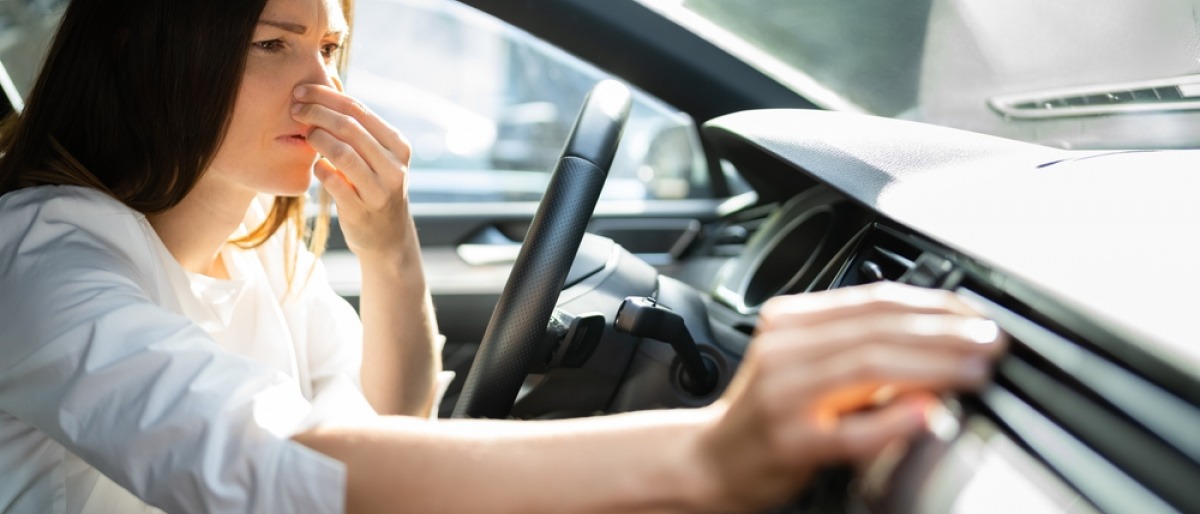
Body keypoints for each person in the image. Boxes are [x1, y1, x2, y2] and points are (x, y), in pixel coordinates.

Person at [0, 0, 1007, 512]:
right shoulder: (45, 256)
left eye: (334, 49)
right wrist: (705, 452)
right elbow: (265, 458)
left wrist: (389, 244)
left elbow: (393, 434)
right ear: (153, 55)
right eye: (274, 44)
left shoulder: (258, 249)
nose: (323, 86)